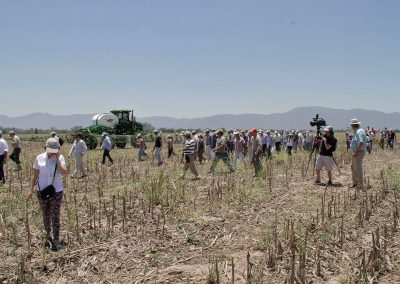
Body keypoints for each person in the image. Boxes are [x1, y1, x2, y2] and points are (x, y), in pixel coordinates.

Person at [28, 138, 68, 251]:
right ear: (46, 147)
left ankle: (56, 240)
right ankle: (47, 235)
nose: (53, 152)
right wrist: (30, 190)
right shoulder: (39, 157)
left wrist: (58, 160)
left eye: (55, 149)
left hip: (57, 191)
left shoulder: (60, 157)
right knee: (46, 214)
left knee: (55, 215)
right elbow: (34, 175)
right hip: (42, 191)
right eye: (51, 149)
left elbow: (65, 172)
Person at [349, 119, 367, 188]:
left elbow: (361, 142)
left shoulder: (358, 132)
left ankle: (360, 184)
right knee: (353, 167)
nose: (351, 126)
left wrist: (356, 152)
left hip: (358, 152)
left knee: (358, 168)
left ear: (353, 125)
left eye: (351, 125)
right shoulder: (359, 130)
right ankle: (355, 183)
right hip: (357, 151)